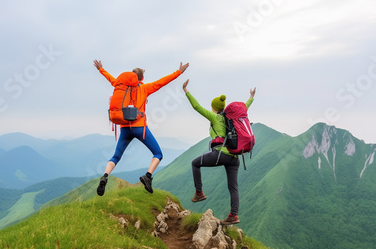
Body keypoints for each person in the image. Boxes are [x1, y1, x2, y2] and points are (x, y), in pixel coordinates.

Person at [94, 60, 189, 196]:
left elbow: (111, 79)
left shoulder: (120, 86)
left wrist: (101, 69)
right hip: (139, 128)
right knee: (158, 154)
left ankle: (105, 176)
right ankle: (148, 176)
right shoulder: (145, 88)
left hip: (125, 128)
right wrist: (179, 72)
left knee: (116, 156)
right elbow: (162, 82)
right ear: (142, 78)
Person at [182, 79, 256, 225]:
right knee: (233, 187)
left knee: (195, 163)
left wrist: (186, 91)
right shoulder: (231, 118)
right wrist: (251, 98)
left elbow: (196, 107)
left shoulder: (215, 117)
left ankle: (199, 193)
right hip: (234, 158)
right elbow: (245, 108)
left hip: (220, 155)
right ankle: (234, 215)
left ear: (214, 108)